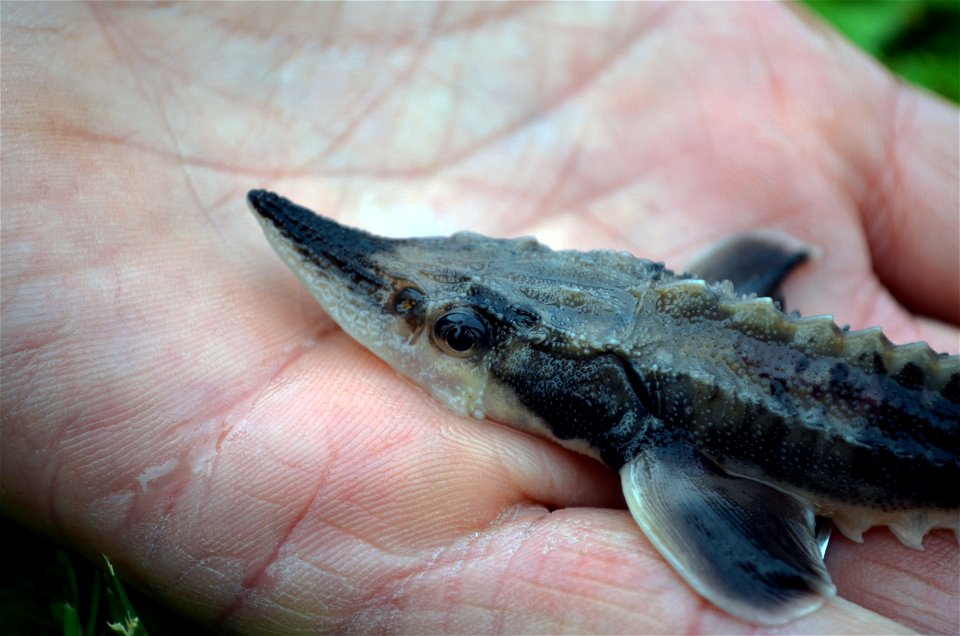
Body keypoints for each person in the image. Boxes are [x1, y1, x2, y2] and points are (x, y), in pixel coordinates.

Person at [2, 3, 957, 633]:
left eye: (452, 335)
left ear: (607, 403)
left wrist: (775, 573)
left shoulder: (665, 459)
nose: (415, 327)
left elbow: (764, 573)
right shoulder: (654, 357)